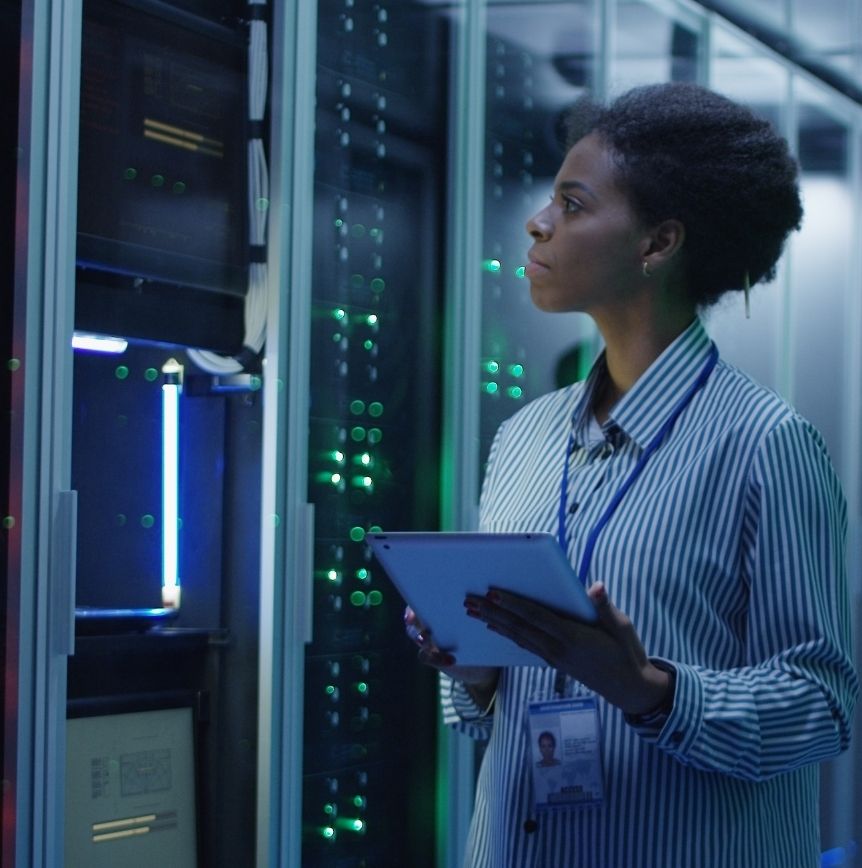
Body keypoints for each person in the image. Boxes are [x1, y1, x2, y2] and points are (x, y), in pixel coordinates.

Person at [404, 82, 858, 868]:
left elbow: (823, 704)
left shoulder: (766, 445)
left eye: (573, 205)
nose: (539, 222)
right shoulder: (523, 437)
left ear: (658, 244)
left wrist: (650, 689)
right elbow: (484, 710)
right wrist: (472, 668)